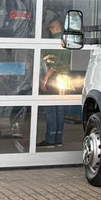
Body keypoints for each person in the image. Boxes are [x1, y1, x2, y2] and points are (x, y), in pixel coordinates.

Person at [38, 19, 70, 148]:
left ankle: (50, 139)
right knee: (60, 110)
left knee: (51, 111)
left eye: (50, 29)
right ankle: (58, 138)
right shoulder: (66, 41)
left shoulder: (54, 42)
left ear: (53, 28)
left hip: (54, 79)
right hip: (64, 79)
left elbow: (53, 63)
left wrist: (45, 79)